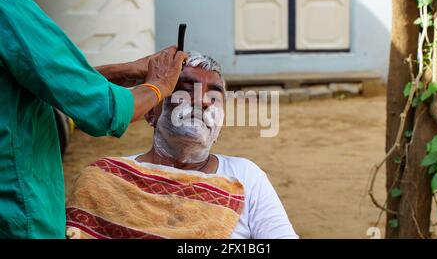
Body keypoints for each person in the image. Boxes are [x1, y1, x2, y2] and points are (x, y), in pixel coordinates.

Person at [0, 0, 187, 238]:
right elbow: (103, 110)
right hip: (15, 214)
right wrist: (158, 86)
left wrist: (120, 73)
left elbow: (42, 81)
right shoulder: (6, 4)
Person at [66, 52, 299, 239]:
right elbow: (56, 90)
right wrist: (126, 70)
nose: (203, 101)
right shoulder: (105, 179)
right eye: (185, 92)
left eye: (215, 98)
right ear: (150, 112)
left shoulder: (246, 177)